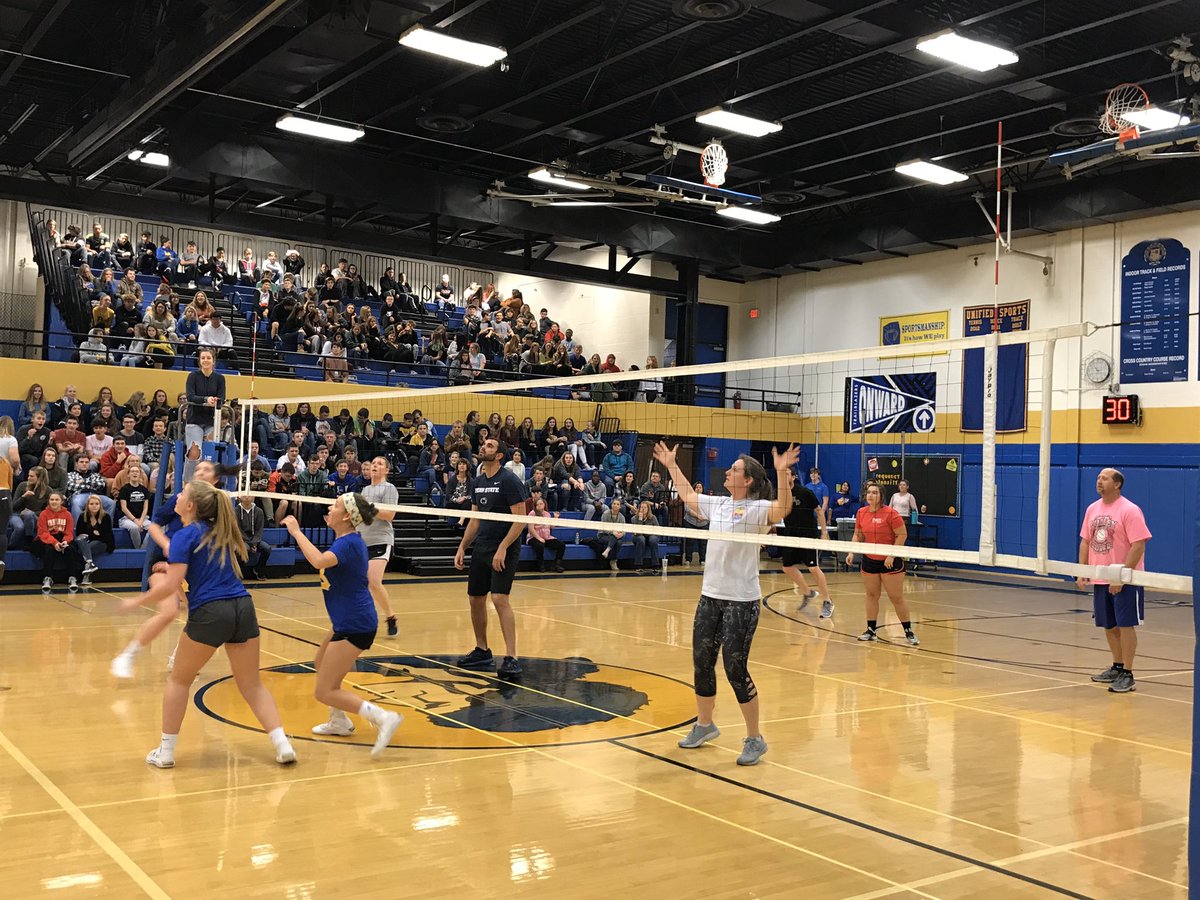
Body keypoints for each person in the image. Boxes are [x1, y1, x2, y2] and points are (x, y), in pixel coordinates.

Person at [120, 479, 296, 768]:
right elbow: (202, 564)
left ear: (190, 506)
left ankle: (165, 752)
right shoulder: (221, 529)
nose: (176, 496)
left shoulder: (184, 536)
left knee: (178, 680)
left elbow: (170, 587)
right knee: (252, 685)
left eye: (183, 493)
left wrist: (135, 602)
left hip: (211, 612)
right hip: (243, 607)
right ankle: (282, 744)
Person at [654, 441, 799, 766]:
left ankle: (755, 739)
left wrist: (780, 472)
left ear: (746, 480)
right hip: (710, 597)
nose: (728, 471)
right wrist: (671, 466)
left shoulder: (758, 509)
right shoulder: (719, 504)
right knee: (702, 663)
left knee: (735, 668)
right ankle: (705, 725)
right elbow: (689, 495)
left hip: (741, 602)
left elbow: (782, 509)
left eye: (734, 469)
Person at [283, 495, 404, 753]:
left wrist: (296, 532)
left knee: (324, 691)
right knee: (320, 663)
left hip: (356, 623)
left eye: (336, 505)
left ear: (347, 516)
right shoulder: (345, 541)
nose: (329, 508)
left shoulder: (348, 544)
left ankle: (383, 717)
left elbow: (318, 561)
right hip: (346, 620)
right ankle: (339, 721)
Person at [453, 438, 528, 676]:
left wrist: (504, 547)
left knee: (499, 598)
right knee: (475, 598)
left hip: (504, 546)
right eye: (484, 444)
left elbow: (521, 519)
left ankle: (511, 657)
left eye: (490, 446)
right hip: (483, 547)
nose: (484, 447)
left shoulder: (509, 480)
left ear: (498, 456)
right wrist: (463, 547)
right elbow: (475, 519)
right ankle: (482, 650)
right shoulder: (477, 482)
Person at [1077, 468, 1151, 694]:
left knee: (1125, 625)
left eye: (1105, 478)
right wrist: (1083, 570)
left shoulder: (1130, 510)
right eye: (1098, 478)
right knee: (1109, 625)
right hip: (1101, 579)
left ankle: (1128, 674)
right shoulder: (1092, 509)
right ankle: (1117, 667)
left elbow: (1138, 544)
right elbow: (1085, 542)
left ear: (1117, 484)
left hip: (1125, 580)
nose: (1099, 481)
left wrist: (1123, 574)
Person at [846, 482, 917, 646]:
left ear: (881, 496)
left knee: (896, 597)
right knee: (871, 595)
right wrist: (851, 551)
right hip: (870, 560)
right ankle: (870, 630)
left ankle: (908, 631)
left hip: (890, 562)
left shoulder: (891, 514)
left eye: (875, 493)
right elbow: (858, 535)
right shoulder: (861, 512)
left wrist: (891, 554)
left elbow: (902, 535)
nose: (870, 495)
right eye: (869, 492)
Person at [778, 469, 832, 618]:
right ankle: (808, 593)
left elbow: (819, 511)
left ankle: (827, 601)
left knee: (813, 567)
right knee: (787, 567)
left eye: (787, 474)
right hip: (790, 535)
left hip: (808, 535)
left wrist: (824, 533)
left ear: (794, 477)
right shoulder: (781, 494)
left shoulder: (805, 492)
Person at [358, 457, 399, 637]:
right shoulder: (365, 489)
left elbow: (389, 514)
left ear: (386, 470)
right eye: (373, 463)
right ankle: (361, 619)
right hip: (362, 540)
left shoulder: (389, 488)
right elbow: (358, 515)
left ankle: (390, 617)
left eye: (380, 464)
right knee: (360, 583)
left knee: (373, 582)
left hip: (381, 540)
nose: (375, 465)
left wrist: (368, 508)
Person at [33, 491, 84, 593]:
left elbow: (69, 532)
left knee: (70, 549)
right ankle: (47, 578)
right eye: (52, 499)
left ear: (61, 501)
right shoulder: (43, 514)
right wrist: (55, 543)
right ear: (48, 501)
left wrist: (64, 542)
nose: (54, 502)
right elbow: (43, 533)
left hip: (62, 537)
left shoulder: (67, 514)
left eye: (57, 500)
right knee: (49, 550)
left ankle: (72, 577)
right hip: (47, 539)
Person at [185, 348, 226, 451]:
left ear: (213, 361)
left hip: (212, 420)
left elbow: (222, 397)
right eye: (203, 358)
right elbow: (190, 396)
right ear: (199, 361)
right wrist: (206, 400)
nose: (205, 360)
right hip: (194, 419)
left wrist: (216, 401)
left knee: (211, 452)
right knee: (194, 452)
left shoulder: (220, 378)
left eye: (208, 358)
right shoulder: (192, 376)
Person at [74, 494, 114, 584]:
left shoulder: (106, 517)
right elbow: (79, 533)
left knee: (83, 550)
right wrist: (95, 533)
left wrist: (91, 534)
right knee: (80, 541)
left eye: (97, 504)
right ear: (87, 505)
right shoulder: (82, 516)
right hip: (87, 542)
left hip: (104, 543)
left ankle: (87, 571)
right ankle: (89, 566)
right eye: (91, 504)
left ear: (100, 505)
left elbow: (106, 536)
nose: (94, 506)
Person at [236, 493, 273, 580]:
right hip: (241, 539)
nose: (247, 497)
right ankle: (239, 571)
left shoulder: (259, 511)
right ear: (239, 497)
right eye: (244, 495)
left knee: (267, 548)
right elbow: (237, 530)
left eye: (249, 495)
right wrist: (250, 543)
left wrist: (254, 543)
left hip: (254, 540)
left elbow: (259, 530)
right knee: (245, 548)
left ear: (254, 496)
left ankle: (258, 570)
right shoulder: (235, 511)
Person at [526, 497, 565, 572]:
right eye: (538, 504)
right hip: (534, 537)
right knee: (540, 545)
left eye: (541, 504)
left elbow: (552, 527)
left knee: (561, 545)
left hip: (546, 537)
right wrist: (539, 538)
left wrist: (556, 518)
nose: (540, 506)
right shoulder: (532, 514)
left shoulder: (547, 514)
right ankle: (540, 564)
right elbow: (531, 529)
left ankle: (557, 564)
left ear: (544, 505)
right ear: (535, 506)